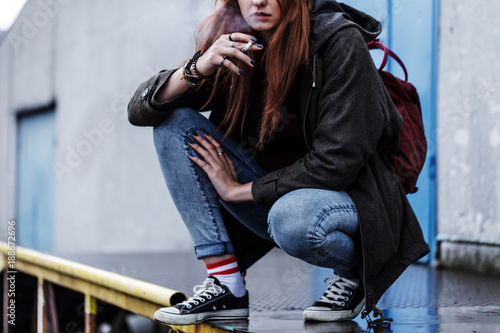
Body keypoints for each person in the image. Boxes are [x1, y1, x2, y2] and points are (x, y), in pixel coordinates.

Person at [128, 0, 429, 326]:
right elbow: (139, 111)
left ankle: (357, 271)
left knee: (293, 219)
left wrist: (239, 190)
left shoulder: (339, 40)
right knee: (174, 124)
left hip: (352, 199)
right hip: (274, 194)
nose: (258, 1)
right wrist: (199, 66)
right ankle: (225, 283)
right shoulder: (236, 42)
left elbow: (336, 163)